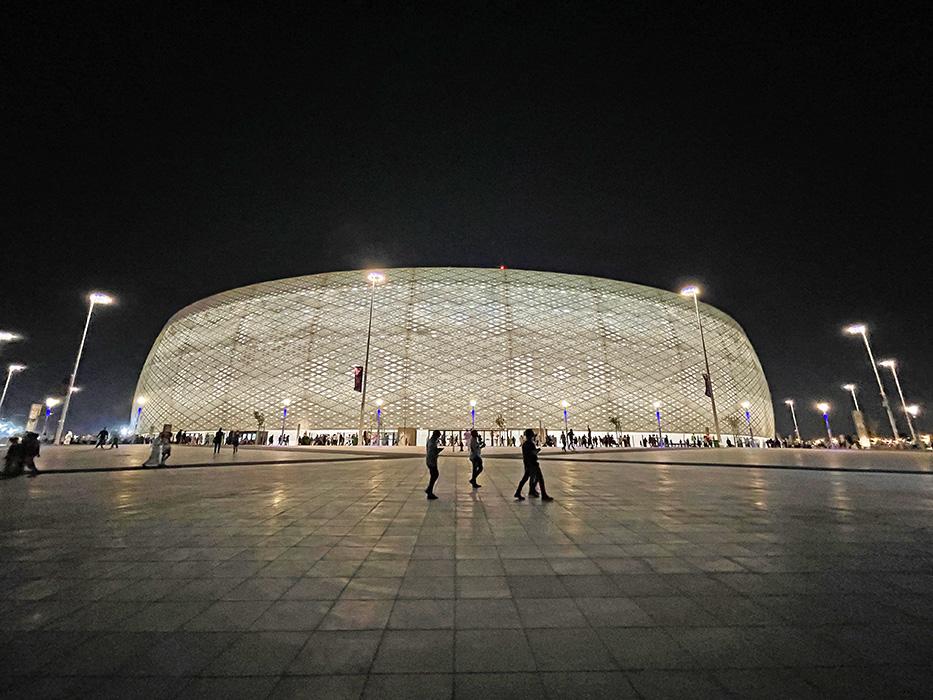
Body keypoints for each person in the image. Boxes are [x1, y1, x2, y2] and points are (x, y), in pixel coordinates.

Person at [515, 429, 552, 501]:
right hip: (533, 464)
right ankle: (543, 495)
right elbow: (532, 453)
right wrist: (537, 451)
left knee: (525, 479)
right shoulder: (531, 443)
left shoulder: (525, 444)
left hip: (527, 463)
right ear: (530, 435)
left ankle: (519, 492)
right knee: (540, 478)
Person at [425, 430, 443, 499]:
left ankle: (429, 489)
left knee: (434, 475)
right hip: (431, 461)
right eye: (438, 436)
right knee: (435, 475)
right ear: (436, 435)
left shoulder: (430, 441)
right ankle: (429, 490)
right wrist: (438, 450)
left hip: (430, 460)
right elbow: (432, 451)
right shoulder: (432, 442)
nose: (438, 437)